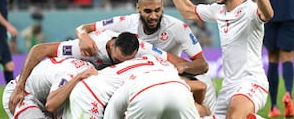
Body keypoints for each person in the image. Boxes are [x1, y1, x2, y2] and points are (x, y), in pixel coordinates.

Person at [157, 0, 274, 118]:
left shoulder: (250, 10)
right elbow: (188, 11)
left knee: (234, 116)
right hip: (228, 86)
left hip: (251, 82)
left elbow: (268, 14)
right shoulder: (218, 10)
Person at [8, 31, 185, 114]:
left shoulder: (141, 50)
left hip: (67, 89)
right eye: (116, 60)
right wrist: (20, 86)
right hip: (36, 90)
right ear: (111, 45)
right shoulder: (89, 47)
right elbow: (40, 49)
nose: (119, 65)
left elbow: (179, 63)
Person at [75, 0, 209, 76]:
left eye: (157, 10)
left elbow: (202, 65)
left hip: (166, 75)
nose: (153, 16)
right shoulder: (126, 22)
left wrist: (184, 68)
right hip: (134, 75)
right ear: (138, 8)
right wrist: (83, 36)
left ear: (162, 8)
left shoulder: (178, 27)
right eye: (148, 11)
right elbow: (83, 28)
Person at [47, 54, 201, 119]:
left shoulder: (153, 63)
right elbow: (201, 86)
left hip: (97, 89)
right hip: (91, 95)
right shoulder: (170, 75)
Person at [2, 56, 97, 118]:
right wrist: (78, 78)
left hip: (45, 99)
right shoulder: (69, 74)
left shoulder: (93, 73)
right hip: (22, 94)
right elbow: (51, 105)